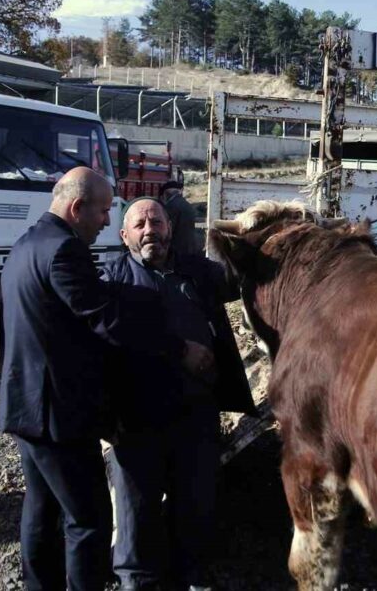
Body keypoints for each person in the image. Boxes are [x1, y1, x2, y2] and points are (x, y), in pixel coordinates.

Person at [0, 168, 212, 591]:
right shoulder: (63, 251)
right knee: (89, 521)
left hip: (27, 405)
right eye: (101, 211)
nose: (104, 222)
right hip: (58, 413)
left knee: (41, 513)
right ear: (77, 208)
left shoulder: (26, 245)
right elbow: (105, 320)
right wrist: (180, 348)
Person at [103, 197, 256, 591]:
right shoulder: (111, 281)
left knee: (196, 498)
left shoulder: (198, 272)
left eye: (156, 221)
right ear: (124, 236)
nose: (149, 229)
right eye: (139, 224)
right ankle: (135, 579)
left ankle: (192, 573)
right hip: (137, 417)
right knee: (136, 504)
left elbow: (243, 276)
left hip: (195, 413)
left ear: (171, 228)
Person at [158, 180, 200, 256]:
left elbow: (169, 230)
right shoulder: (186, 204)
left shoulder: (171, 206)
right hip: (189, 247)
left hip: (177, 249)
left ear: (166, 194)